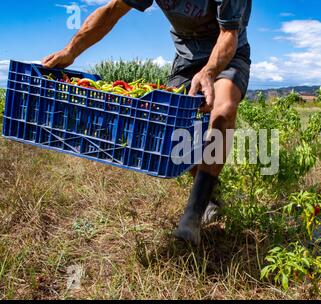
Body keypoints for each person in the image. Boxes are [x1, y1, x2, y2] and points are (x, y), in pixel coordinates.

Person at [42, 0, 252, 246]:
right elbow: (112, 11)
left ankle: (192, 216)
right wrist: (71, 51)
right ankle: (207, 193)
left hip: (228, 55)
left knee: (223, 110)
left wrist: (208, 72)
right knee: (180, 131)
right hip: (187, 60)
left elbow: (229, 34)